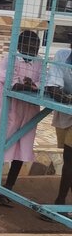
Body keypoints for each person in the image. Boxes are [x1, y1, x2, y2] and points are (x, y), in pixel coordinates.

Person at [0, 30, 41, 204]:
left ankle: (7, 190)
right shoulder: (10, 59)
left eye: (35, 46)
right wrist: (19, 84)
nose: (32, 49)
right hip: (10, 111)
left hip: (28, 112)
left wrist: (34, 85)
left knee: (21, 149)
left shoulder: (39, 63)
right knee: (2, 145)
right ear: (20, 46)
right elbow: (5, 77)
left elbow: (43, 80)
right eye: (28, 45)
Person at [43, 31, 72, 210]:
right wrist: (63, 96)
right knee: (68, 157)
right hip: (66, 113)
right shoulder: (62, 55)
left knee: (70, 158)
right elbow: (53, 86)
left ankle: (59, 202)